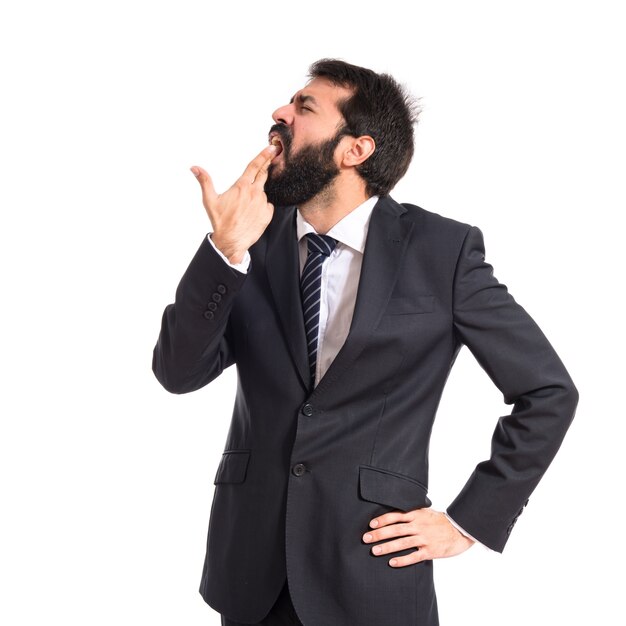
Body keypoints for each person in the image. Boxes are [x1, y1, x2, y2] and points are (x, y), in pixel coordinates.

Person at [152, 59, 578, 626]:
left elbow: (547, 391)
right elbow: (178, 372)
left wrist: (468, 521)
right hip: (252, 574)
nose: (280, 114)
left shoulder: (442, 251)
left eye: (304, 108)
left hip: (372, 571)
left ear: (356, 150)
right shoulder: (252, 237)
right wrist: (225, 250)